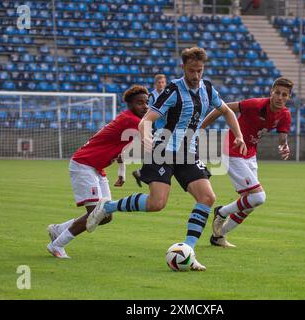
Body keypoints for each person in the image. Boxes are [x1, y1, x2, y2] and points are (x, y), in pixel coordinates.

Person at [86, 47, 247, 270]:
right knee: (156, 204)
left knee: (207, 198)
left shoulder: (208, 89)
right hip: (163, 149)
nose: (196, 76)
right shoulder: (172, 90)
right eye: (192, 71)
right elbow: (146, 120)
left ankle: (188, 250)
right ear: (183, 68)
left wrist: (238, 135)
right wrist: (145, 137)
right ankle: (108, 206)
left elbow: (227, 111)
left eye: (200, 71)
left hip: (188, 152)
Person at [46, 85, 149, 258]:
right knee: (95, 213)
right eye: (140, 103)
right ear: (130, 105)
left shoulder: (132, 121)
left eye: (146, 103)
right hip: (84, 164)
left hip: (96, 168)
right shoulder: (130, 120)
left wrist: (122, 174)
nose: (145, 106)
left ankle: (58, 229)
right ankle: (57, 245)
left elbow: (122, 150)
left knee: (106, 215)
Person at [201, 77, 293, 247]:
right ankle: (221, 212)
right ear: (271, 92)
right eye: (277, 93)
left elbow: (282, 138)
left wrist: (284, 146)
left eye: (284, 95)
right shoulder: (255, 104)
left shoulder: (285, 114)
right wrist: (201, 127)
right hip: (231, 150)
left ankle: (218, 237)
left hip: (250, 154)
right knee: (258, 197)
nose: (280, 97)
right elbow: (223, 108)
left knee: (249, 205)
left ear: (288, 97)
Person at [133, 74, 167, 187]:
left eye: (163, 82)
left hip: (166, 127)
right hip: (155, 128)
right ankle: (145, 172)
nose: (161, 84)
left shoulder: (167, 94)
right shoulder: (152, 96)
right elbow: (148, 112)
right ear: (155, 83)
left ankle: (143, 172)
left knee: (158, 151)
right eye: (159, 82)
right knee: (156, 150)